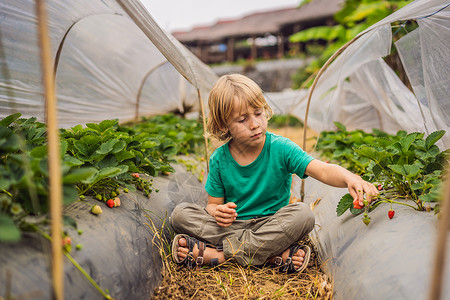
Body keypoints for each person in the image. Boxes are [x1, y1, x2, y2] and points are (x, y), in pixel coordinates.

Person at [170, 73, 378, 273]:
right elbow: (213, 205)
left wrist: (350, 177)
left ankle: (221, 255)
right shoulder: (219, 159)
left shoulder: (281, 148)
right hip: (235, 227)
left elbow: (322, 170)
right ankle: (270, 255)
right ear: (225, 125)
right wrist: (218, 212)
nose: (255, 124)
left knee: (303, 215)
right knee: (180, 214)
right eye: (242, 120)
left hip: (271, 224)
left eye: (258, 113)